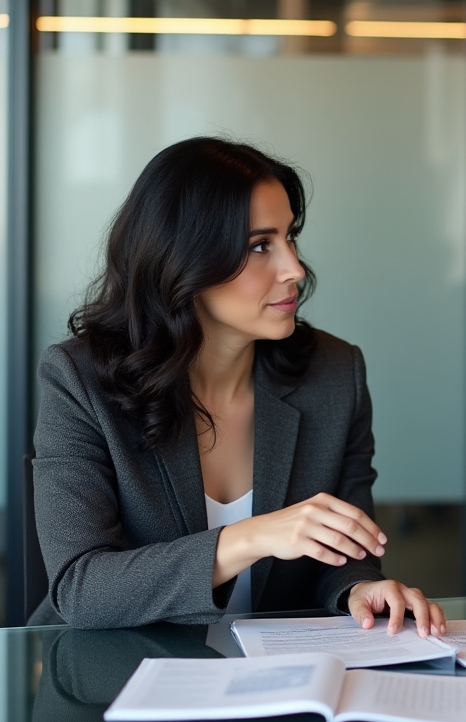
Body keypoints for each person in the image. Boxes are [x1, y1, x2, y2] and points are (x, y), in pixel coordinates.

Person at [33, 137, 445, 635]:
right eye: (259, 246)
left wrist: (357, 589)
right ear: (184, 259)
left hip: (273, 685)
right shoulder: (80, 380)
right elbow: (80, 588)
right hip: (113, 680)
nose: (294, 269)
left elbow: (343, 553)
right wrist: (252, 536)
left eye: (289, 237)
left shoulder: (336, 375)